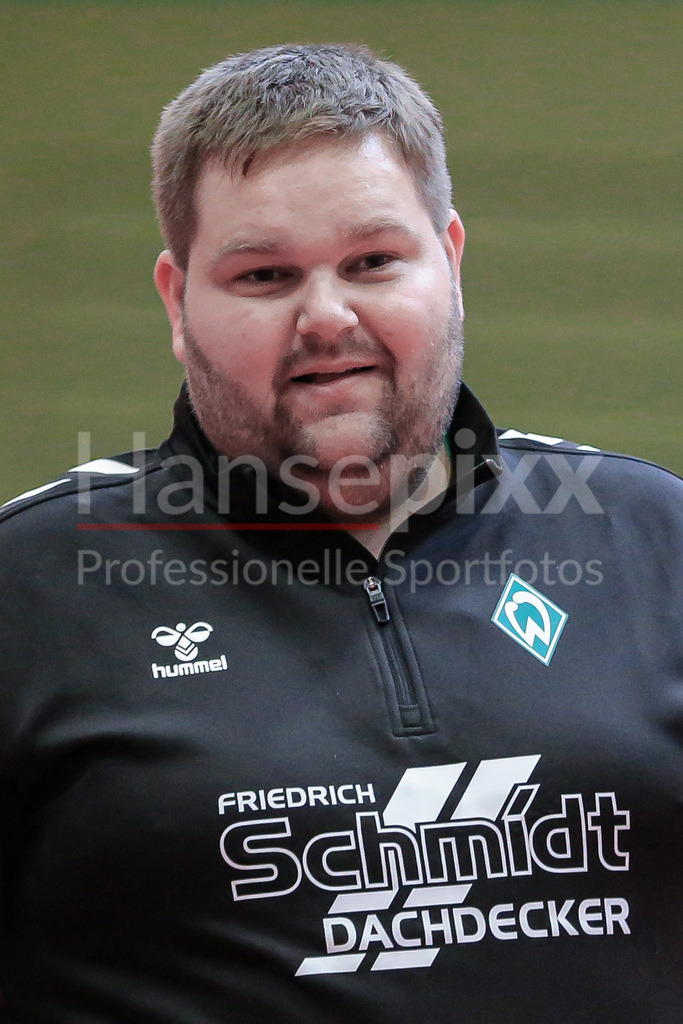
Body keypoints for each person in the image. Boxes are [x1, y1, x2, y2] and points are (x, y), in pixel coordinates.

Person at [0, 43, 680, 1024]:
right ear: (177, 301)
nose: (325, 316)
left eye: (372, 262)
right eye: (265, 274)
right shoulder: (29, 588)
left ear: (448, 261)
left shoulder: (655, 540)